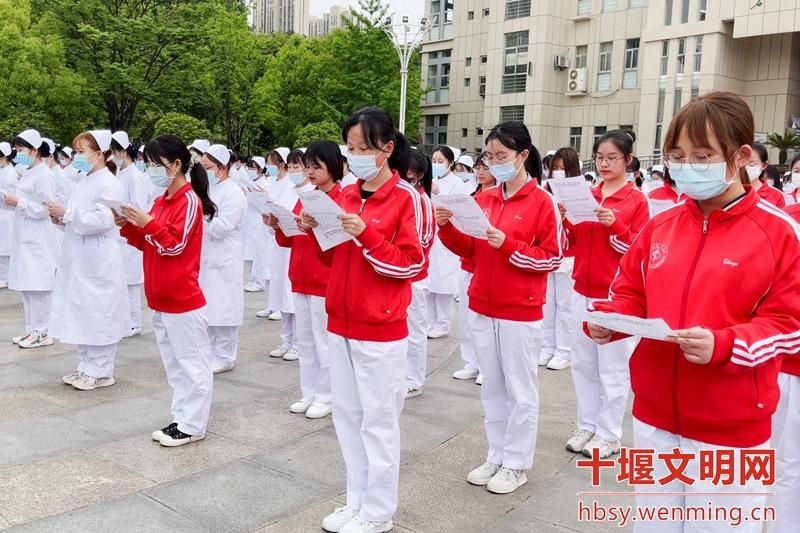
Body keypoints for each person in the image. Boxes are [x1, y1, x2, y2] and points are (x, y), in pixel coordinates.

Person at [587, 91, 800, 533]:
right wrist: (611, 319)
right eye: (678, 155)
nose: (687, 166)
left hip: (731, 426)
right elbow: (630, 292)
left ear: (741, 156)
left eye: (702, 155)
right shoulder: (661, 225)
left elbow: (790, 325)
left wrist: (725, 344)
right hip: (654, 417)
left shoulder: (779, 233)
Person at [302, 107, 423, 533]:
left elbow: (412, 265)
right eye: (349, 147)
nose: (353, 156)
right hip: (342, 319)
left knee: (378, 422)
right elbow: (334, 258)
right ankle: (356, 500)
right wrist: (316, 229)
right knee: (348, 418)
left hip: (381, 327)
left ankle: (378, 511)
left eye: (363, 148)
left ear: (387, 150)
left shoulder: (407, 198)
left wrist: (366, 234)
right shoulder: (347, 194)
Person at [436, 122, 562, 495]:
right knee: (492, 386)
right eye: (490, 157)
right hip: (483, 304)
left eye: (502, 157)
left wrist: (507, 244)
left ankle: (517, 463)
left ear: (523, 156)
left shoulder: (543, 202)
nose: (493, 164)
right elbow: (471, 251)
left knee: (520, 389)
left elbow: (550, 259)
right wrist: (447, 228)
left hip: (520, 309)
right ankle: (497, 452)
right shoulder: (485, 198)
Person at [117, 134, 217, 447]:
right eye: (147, 164)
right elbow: (151, 244)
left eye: (155, 164)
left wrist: (147, 223)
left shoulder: (188, 200)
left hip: (182, 299)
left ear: (176, 164)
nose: (150, 170)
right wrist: (128, 224)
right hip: (161, 297)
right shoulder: (161, 200)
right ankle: (181, 418)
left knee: (193, 365)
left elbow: (173, 245)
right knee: (175, 366)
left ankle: (193, 424)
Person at [565, 129, 650, 459]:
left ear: (628, 161)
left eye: (611, 158)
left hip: (615, 294)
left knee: (612, 369)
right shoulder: (588, 193)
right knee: (583, 363)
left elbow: (638, 250)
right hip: (581, 288)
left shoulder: (636, 201)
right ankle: (587, 423)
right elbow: (574, 242)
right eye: (599, 157)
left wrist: (614, 223)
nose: (604, 163)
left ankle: (609, 434)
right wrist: (566, 220)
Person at [45, 130, 129, 390]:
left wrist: (67, 213)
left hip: (98, 256)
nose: (77, 157)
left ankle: (101, 370)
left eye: (82, 152)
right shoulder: (84, 181)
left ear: (100, 152)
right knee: (83, 311)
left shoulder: (110, 183)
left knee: (99, 311)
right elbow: (78, 219)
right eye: (77, 151)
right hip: (79, 256)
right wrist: (61, 220)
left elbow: (105, 219)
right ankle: (85, 365)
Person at [270, 140, 343, 419]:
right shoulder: (306, 196)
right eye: (308, 166)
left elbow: (337, 241)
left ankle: (327, 395)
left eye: (316, 166)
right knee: (306, 340)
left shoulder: (341, 196)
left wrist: (314, 227)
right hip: (300, 274)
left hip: (323, 278)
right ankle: (309, 391)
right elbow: (293, 236)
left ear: (332, 166)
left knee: (324, 340)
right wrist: (280, 225)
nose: (310, 172)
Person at [5, 129, 58, 348]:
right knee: (28, 286)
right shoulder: (28, 171)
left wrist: (19, 202)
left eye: (21, 149)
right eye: (16, 150)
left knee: (39, 287)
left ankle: (43, 331)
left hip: (38, 238)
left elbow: (47, 208)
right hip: (25, 236)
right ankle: (31, 329)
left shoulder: (44, 174)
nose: (18, 153)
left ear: (34, 150)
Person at [198, 144, 246, 375]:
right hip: (208, 257)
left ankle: (225, 357)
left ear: (222, 166)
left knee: (225, 309)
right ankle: (210, 353)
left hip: (224, 257)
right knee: (210, 308)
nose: (204, 171)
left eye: (208, 167)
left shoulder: (233, 192)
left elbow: (223, 227)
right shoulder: (210, 190)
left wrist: (200, 219)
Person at [452, 152, 496, 383]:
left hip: (486, 266)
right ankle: (470, 362)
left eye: (485, 168)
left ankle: (484, 367)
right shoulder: (472, 196)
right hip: (467, 263)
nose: (480, 172)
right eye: (478, 168)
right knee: (466, 319)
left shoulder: (498, 198)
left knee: (482, 321)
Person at [539, 146, 580, 371]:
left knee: (565, 306)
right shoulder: (546, 190)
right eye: (555, 168)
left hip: (570, 257)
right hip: (549, 255)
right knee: (548, 305)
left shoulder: (580, 192)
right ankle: (547, 346)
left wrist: (565, 219)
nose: (558, 172)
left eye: (563, 168)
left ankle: (565, 350)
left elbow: (581, 228)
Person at [426, 145, 472, 339]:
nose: (436, 165)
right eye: (434, 161)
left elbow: (456, 208)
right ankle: (429, 322)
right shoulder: (430, 181)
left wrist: (438, 194)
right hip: (431, 236)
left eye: (440, 161)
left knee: (443, 284)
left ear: (450, 163)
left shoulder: (456, 183)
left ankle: (443, 324)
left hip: (446, 236)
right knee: (429, 283)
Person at [266, 149, 305, 361]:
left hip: (297, 250)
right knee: (282, 296)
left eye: (296, 166)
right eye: (290, 167)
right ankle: (287, 340)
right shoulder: (286, 189)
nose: (292, 171)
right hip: (282, 248)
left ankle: (299, 343)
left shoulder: (307, 192)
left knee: (293, 299)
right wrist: (272, 223)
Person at [111, 131, 151, 337]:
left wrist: (123, 212)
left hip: (131, 233)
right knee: (122, 280)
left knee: (132, 282)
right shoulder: (119, 173)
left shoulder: (135, 176)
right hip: (119, 232)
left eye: (114, 151)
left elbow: (139, 207)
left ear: (123, 151)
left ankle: (134, 323)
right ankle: (125, 320)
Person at [403, 148, 436, 398]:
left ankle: (413, 379)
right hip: (399, 275)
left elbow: (422, 242)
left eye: (409, 177)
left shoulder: (423, 201)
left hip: (414, 277)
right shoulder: (406, 198)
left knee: (414, 330)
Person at [745, 142, 785, 207]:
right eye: (742, 163)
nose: (745, 168)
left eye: (751, 165)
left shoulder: (777, 196)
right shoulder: (729, 193)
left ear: (764, 165)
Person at [0, 142, 16, 289]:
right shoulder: (3, 171)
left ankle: (6, 277)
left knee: (5, 248)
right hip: (2, 214)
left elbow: (9, 196)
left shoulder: (10, 173)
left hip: (6, 214)